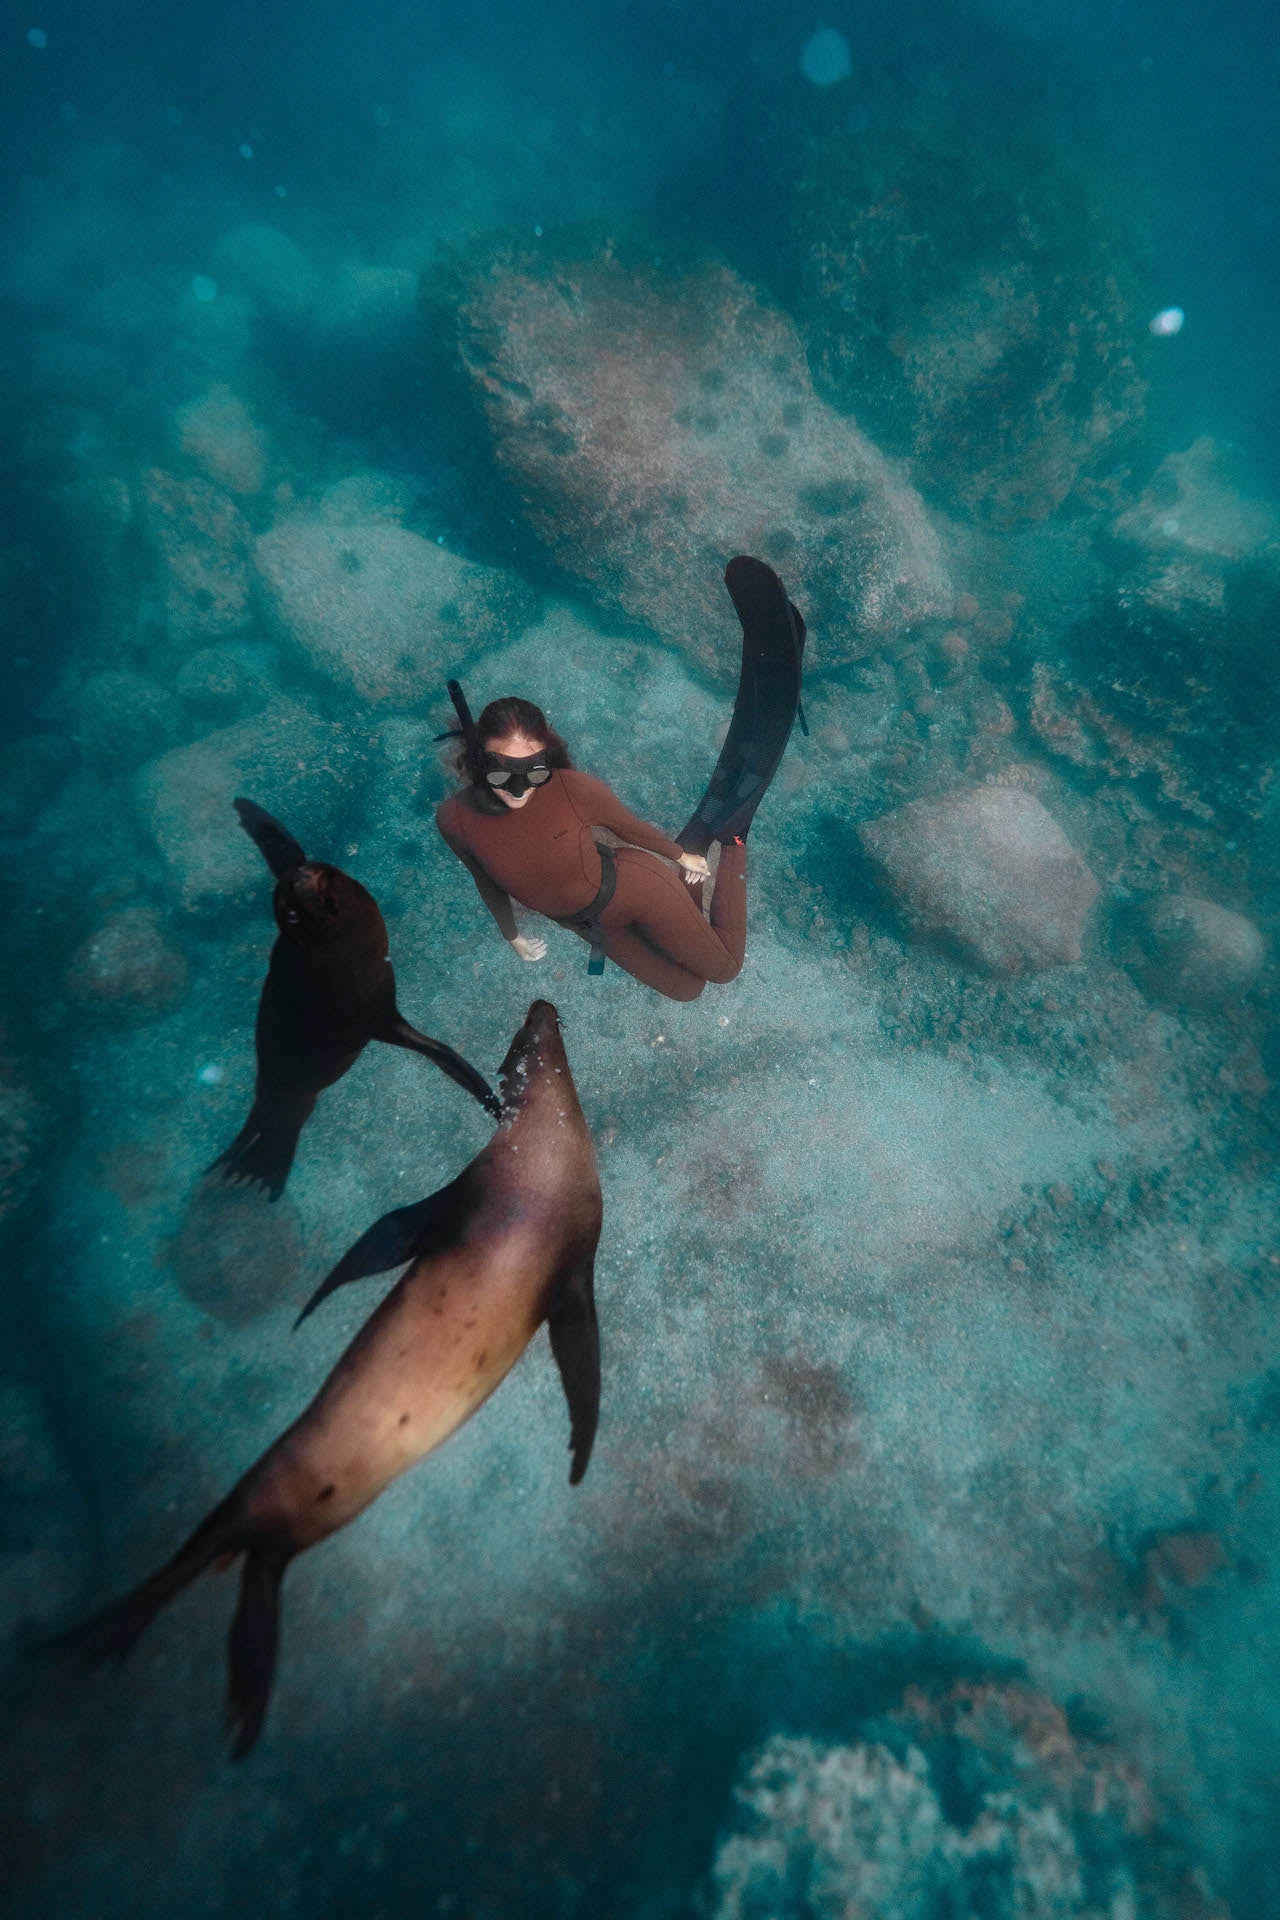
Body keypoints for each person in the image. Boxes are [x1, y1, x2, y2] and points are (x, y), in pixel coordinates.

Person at [435, 692, 746, 1003]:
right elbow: (485, 879)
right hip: (591, 926)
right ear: (479, 759)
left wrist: (680, 855)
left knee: (726, 970)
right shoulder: (453, 820)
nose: (518, 790)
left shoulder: (573, 788)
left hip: (637, 890)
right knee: (688, 989)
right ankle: (687, 904)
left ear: (546, 759)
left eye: (535, 773)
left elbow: (628, 828)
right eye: (501, 773)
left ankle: (735, 841)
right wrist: (511, 935)